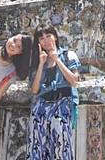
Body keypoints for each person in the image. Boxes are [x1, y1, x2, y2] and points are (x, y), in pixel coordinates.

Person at [26, 24, 80, 160]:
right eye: (42, 38)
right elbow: (34, 89)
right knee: (36, 143)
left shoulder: (68, 54)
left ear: (55, 37)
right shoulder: (38, 61)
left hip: (63, 102)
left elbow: (74, 80)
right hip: (42, 104)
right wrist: (41, 63)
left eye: (48, 36)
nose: (46, 40)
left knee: (61, 142)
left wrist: (57, 59)